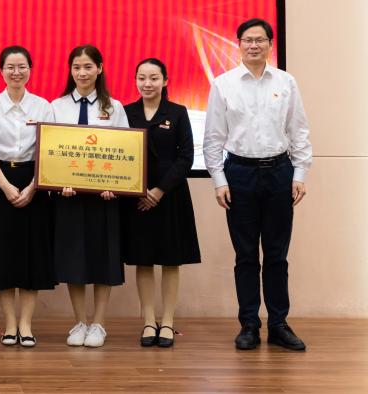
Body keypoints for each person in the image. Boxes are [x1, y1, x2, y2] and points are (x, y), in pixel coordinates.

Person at [204, 18, 311, 351]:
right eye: (247, 40)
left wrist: (299, 174)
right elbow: (213, 137)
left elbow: (299, 130)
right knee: (246, 255)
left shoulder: (286, 82)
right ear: (238, 44)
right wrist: (219, 180)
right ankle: (249, 324)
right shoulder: (223, 84)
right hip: (240, 174)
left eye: (260, 40)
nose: (254, 45)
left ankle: (279, 324)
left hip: (279, 172)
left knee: (277, 255)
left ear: (270, 44)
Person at [50, 44, 129, 349]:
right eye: (76, 67)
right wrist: (58, 182)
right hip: (69, 196)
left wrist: (115, 184)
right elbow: (51, 151)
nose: (82, 73)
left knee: (102, 257)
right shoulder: (57, 107)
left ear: (100, 68)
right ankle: (80, 321)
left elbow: (125, 150)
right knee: (74, 258)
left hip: (103, 198)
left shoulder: (114, 107)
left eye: (87, 67)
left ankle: (99, 323)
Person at [122, 58, 201, 348]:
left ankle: (167, 321)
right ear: (135, 80)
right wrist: (139, 189)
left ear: (165, 81)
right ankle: (148, 320)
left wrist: (159, 190)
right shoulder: (125, 112)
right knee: (143, 259)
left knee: (170, 259)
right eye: (142, 78)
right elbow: (119, 154)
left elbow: (186, 157)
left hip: (170, 195)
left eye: (154, 78)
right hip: (136, 196)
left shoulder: (177, 112)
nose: (147, 83)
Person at [0, 46, 56, 348]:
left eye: (22, 66)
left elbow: (49, 150)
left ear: (30, 70)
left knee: (31, 256)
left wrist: (33, 187)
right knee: (3, 255)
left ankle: (26, 324)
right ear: (1, 71)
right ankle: (9, 324)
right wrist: (5, 185)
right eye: (10, 67)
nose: (16, 72)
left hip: (34, 182)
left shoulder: (43, 106)